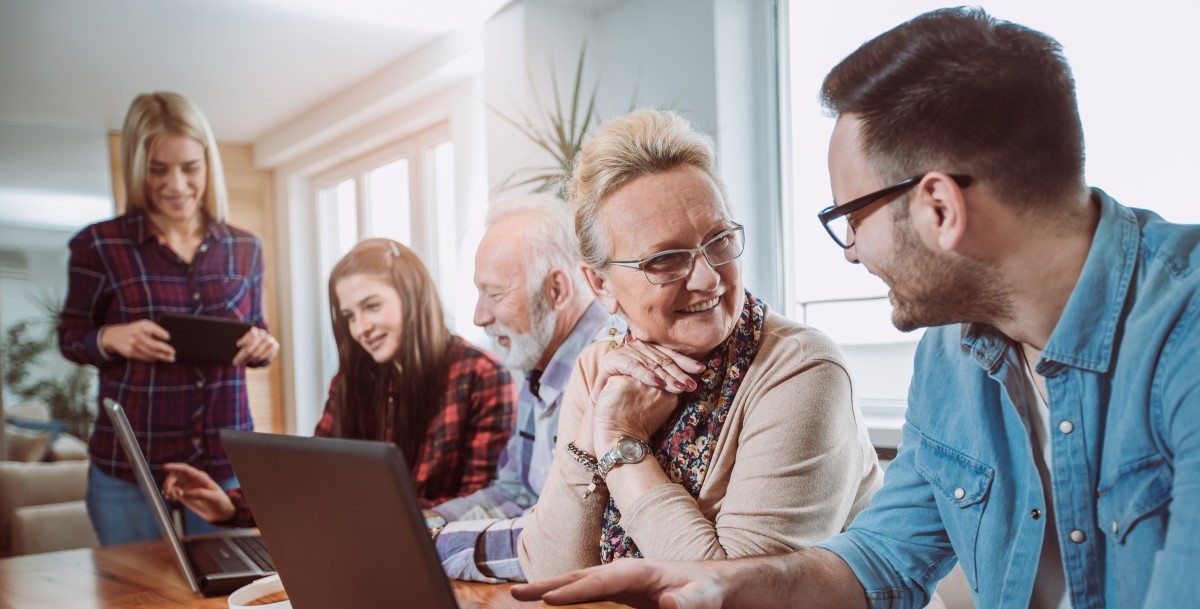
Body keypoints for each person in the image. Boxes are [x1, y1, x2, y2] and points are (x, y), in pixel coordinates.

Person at [511, 7, 1200, 609]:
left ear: (939, 207)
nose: (849, 253)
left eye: (851, 217)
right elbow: (879, 562)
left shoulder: (1185, 337)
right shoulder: (952, 352)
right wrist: (719, 583)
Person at [516, 109, 883, 581]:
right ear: (600, 285)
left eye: (720, 240)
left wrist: (620, 441)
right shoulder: (598, 369)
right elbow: (551, 576)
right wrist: (594, 437)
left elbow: (732, 595)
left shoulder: (802, 369)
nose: (710, 278)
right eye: (666, 260)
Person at [161, 238, 517, 526]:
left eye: (372, 306)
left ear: (413, 298)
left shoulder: (481, 375)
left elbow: (481, 502)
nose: (360, 328)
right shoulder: (349, 382)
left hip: (445, 559)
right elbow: (314, 477)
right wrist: (229, 505)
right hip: (363, 551)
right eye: (349, 315)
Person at [57, 91, 280, 546]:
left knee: (228, 592)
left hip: (224, 466)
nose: (176, 184)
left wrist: (264, 347)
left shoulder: (245, 247)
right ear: (138, 168)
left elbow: (257, 331)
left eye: (189, 168)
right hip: (130, 467)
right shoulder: (98, 246)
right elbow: (70, 337)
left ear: (208, 165)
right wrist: (111, 338)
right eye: (159, 169)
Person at [429, 194, 615, 582]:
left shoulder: (609, 369)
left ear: (557, 291)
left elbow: (574, 544)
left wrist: (434, 543)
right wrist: (428, 521)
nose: (479, 316)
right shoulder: (539, 358)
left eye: (495, 295)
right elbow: (515, 492)